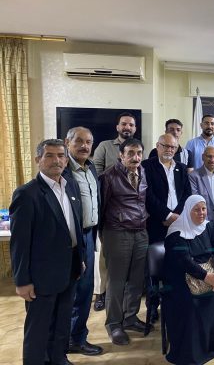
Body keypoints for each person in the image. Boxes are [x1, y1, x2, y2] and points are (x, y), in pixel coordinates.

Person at [10, 139, 84, 365]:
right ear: (38, 160)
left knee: (62, 323)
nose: (56, 160)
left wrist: (80, 259)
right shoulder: (27, 194)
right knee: (39, 329)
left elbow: (75, 226)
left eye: (61, 155)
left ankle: (58, 359)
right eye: (49, 155)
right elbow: (20, 243)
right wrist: (22, 281)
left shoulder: (71, 186)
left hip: (69, 269)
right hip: (41, 275)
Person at [163, 195, 214, 364]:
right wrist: (207, 277)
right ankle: (195, 351)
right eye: (196, 210)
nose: (201, 213)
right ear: (188, 211)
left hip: (209, 272)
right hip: (181, 277)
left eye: (203, 208)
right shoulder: (176, 233)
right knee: (194, 302)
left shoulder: (208, 226)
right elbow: (184, 261)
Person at [99, 138, 150, 345]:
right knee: (116, 281)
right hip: (117, 232)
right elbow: (101, 207)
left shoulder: (143, 172)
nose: (135, 157)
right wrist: (104, 235)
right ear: (121, 155)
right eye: (130, 153)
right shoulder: (109, 176)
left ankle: (130, 317)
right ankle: (114, 324)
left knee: (136, 280)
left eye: (138, 153)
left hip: (141, 232)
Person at [142, 133, 192, 322]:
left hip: (178, 225)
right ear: (158, 146)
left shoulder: (182, 168)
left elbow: (187, 194)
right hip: (156, 223)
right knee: (154, 269)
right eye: (166, 146)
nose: (169, 150)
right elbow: (147, 195)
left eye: (173, 147)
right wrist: (167, 215)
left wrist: (176, 216)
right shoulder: (147, 166)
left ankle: (173, 304)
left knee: (176, 265)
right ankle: (152, 306)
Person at [63, 127, 103, 356]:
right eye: (79, 141)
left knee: (85, 291)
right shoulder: (63, 170)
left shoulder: (91, 167)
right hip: (71, 240)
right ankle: (67, 339)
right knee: (72, 292)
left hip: (89, 235)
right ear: (67, 142)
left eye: (88, 142)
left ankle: (77, 337)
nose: (84, 146)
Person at [93, 111, 137, 311]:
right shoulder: (104, 146)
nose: (127, 127)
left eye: (131, 125)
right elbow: (95, 173)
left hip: (131, 215)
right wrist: (118, 177)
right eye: (124, 124)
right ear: (117, 127)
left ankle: (122, 299)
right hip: (110, 209)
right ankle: (101, 293)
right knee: (106, 258)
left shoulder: (137, 148)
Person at [189, 146, 214, 226]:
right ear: (203, 157)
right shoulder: (194, 176)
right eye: (209, 156)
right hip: (203, 218)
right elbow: (195, 200)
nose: (212, 160)